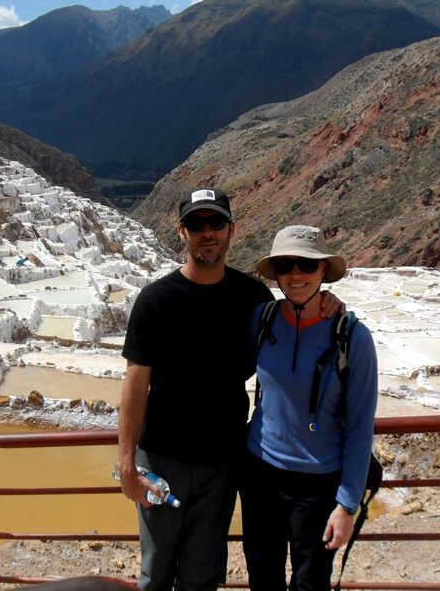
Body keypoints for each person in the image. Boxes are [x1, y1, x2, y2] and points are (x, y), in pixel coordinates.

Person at [116, 189, 342, 591]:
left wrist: (328, 302)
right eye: (198, 224)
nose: (208, 233)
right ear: (181, 231)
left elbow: (297, 321)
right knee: (156, 569)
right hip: (162, 458)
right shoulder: (155, 301)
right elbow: (135, 386)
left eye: (216, 223)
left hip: (222, 461)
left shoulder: (253, 299)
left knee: (202, 573)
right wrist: (126, 465)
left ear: (231, 230)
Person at [239, 225, 378, 591]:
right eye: (286, 266)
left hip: (318, 485)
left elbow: (360, 426)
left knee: (311, 583)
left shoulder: (352, 338)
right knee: (263, 579)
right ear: (276, 274)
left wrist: (347, 505)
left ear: (323, 272)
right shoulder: (263, 319)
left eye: (307, 265)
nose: (296, 275)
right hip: (260, 474)